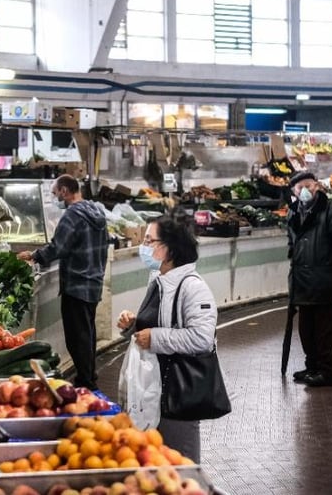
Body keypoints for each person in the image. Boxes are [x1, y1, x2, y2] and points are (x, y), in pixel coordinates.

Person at [115, 212, 216, 462]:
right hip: (152, 390)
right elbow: (156, 324)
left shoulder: (193, 287)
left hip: (177, 394)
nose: (143, 247)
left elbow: (202, 339)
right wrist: (134, 325)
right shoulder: (159, 281)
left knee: (181, 467)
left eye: (149, 241)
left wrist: (156, 338)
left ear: (169, 248)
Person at [18, 175, 108, 389]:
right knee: (87, 335)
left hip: (76, 285)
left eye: (55, 192)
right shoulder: (97, 212)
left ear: (65, 191)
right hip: (93, 282)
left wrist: (34, 256)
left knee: (77, 338)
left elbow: (58, 247)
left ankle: (86, 383)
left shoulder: (72, 216)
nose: (55, 197)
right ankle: (89, 378)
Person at [285, 172, 332, 387]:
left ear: (317, 186)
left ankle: (328, 372)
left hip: (324, 281)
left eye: (308, 185)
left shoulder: (329, 210)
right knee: (306, 331)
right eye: (300, 188)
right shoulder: (292, 214)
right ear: (294, 192)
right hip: (302, 283)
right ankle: (312, 367)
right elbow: (292, 245)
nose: (305, 191)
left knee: (325, 332)